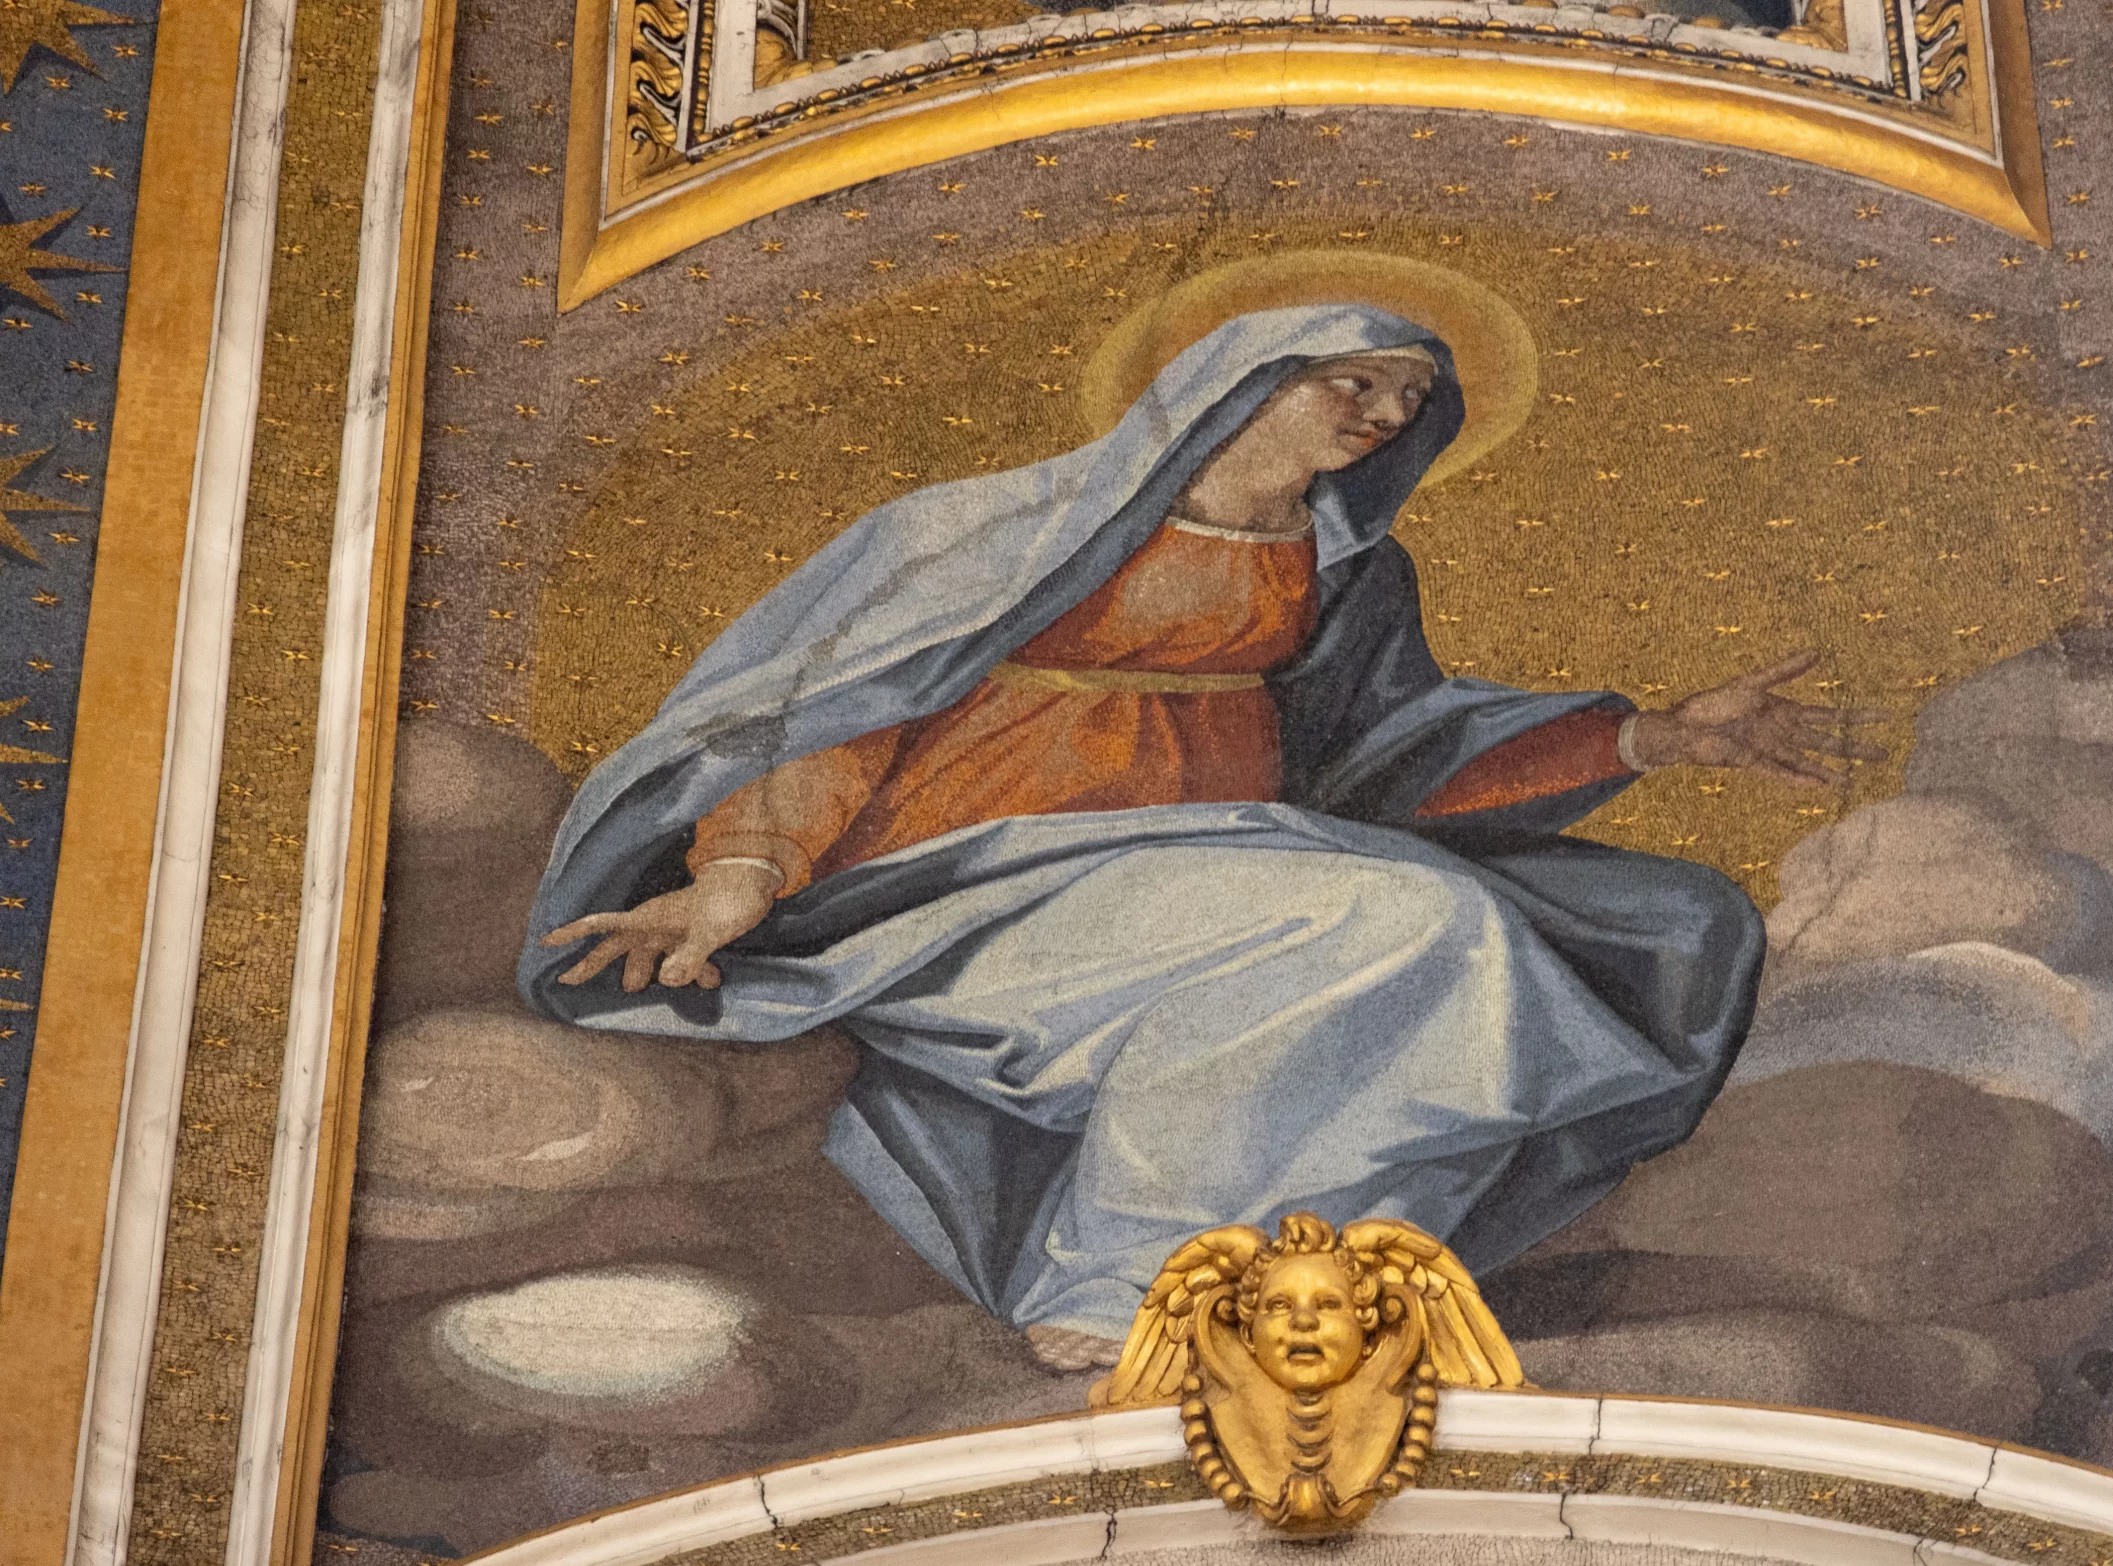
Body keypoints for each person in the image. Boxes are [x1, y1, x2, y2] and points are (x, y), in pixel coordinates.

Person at [522, 303, 1876, 1371]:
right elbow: (828, 713)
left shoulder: (1342, 567)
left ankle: (1338, 1265)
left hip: (1237, 871)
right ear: (1244, 375)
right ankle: (1117, 1281)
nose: (1383, 412)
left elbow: (1392, 751)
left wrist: (1648, 739)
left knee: (1552, 937)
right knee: (1413, 922)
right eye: (1354, 379)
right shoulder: (1001, 535)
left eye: (1407, 398)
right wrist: (738, 880)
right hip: (974, 889)